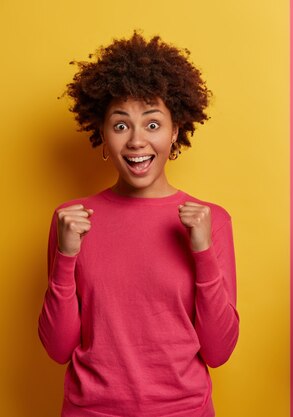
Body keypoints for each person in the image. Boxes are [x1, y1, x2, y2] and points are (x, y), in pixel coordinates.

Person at [38, 32, 239, 417]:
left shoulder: (210, 221)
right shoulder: (72, 220)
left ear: (175, 130)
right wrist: (66, 258)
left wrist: (203, 254)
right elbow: (57, 349)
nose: (135, 141)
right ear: (102, 134)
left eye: (152, 124)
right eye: (120, 126)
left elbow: (219, 351)